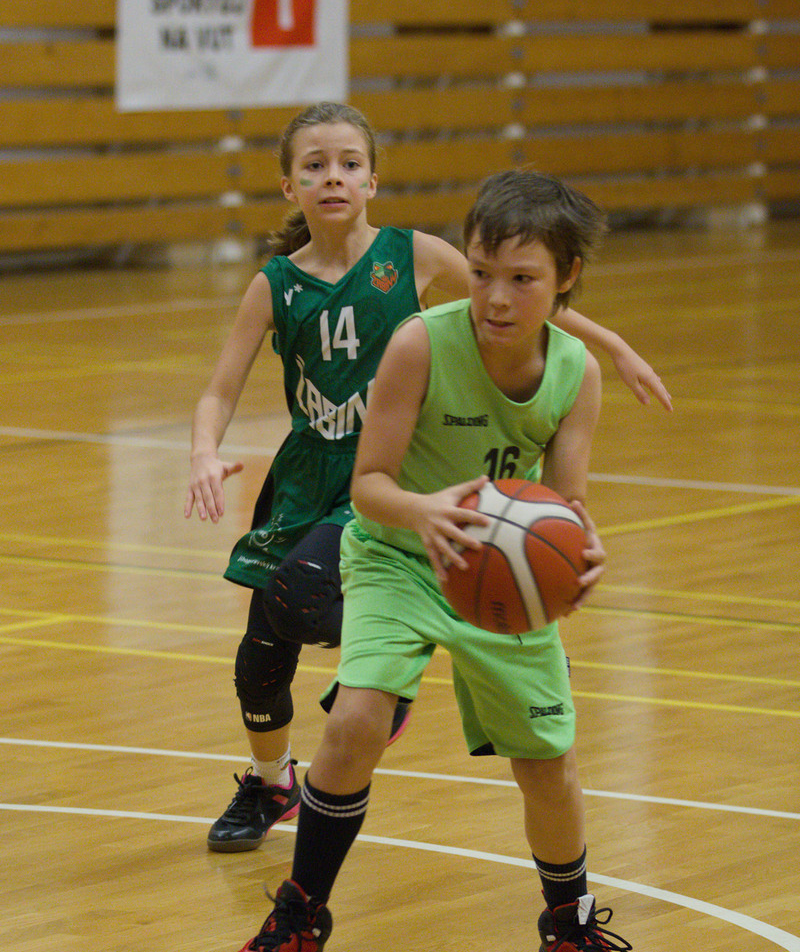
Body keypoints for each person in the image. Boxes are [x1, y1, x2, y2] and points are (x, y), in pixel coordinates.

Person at [185, 102, 671, 860]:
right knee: (261, 651)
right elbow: (219, 390)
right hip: (308, 472)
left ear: (373, 180)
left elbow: (519, 297)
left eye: (349, 163)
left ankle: (386, 685)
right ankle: (271, 780)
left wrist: (614, 345)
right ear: (288, 186)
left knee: (304, 594)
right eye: (315, 166)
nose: (333, 177)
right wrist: (202, 453)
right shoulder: (274, 284)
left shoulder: (410, 255)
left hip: (388, 475)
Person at [214, 168, 651, 952]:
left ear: (566, 279)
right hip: (397, 554)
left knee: (549, 763)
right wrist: (426, 512)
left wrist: (583, 550)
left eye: (521, 279)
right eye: (481, 272)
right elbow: (369, 484)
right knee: (354, 723)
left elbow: (566, 505)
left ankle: (568, 928)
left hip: (497, 574)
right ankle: (299, 922)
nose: (495, 297)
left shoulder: (576, 373)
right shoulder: (420, 342)